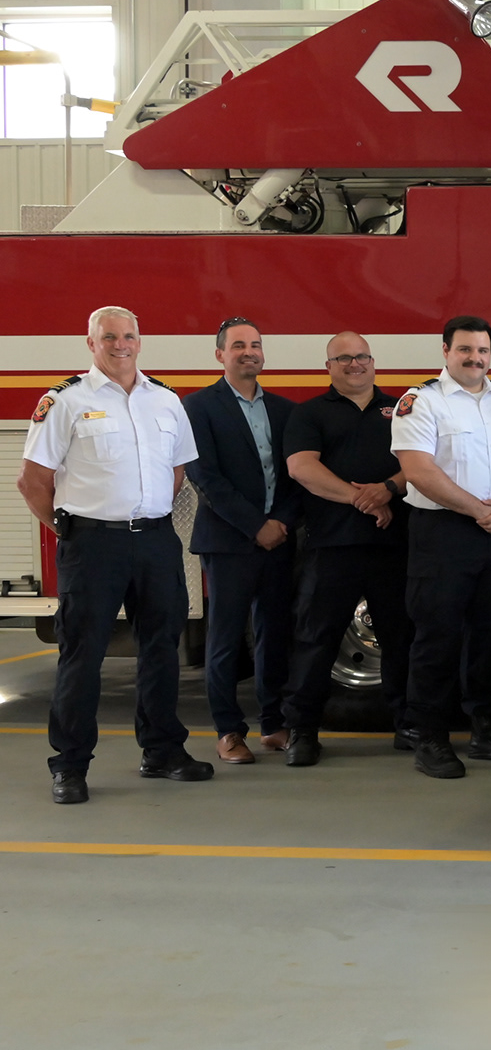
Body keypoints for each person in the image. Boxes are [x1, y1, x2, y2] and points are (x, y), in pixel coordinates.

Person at [17, 306, 211, 804]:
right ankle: (70, 766)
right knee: (82, 655)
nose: (120, 345)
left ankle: (162, 750)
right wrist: (67, 529)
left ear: (139, 342)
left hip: (155, 540)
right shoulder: (65, 401)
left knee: (162, 649)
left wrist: (147, 514)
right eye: (109, 337)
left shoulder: (166, 400)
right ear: (91, 343)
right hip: (92, 545)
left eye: (128, 336)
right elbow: (32, 480)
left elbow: (176, 471)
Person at [391, 315, 491, 779]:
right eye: (465, 349)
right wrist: (479, 510)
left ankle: (486, 728)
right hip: (443, 533)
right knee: (437, 637)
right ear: (446, 350)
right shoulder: (421, 401)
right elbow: (418, 470)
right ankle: (429, 736)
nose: (475, 358)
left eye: (482, 350)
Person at [281, 332, 416, 767]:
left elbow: (423, 462)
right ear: (329, 367)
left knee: (402, 639)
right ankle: (303, 730)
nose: (354, 364)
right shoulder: (309, 413)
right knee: (314, 640)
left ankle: (409, 725)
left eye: (361, 357)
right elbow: (302, 468)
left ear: (373, 362)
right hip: (332, 546)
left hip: (394, 545)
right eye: (343, 358)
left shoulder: (403, 409)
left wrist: (388, 489)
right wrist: (363, 498)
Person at [182, 317, 303, 765]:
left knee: (275, 636)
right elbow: (205, 477)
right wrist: (256, 526)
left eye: (255, 344)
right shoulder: (198, 407)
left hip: (279, 540)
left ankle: (273, 725)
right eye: (238, 345)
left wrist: (282, 522)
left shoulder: (285, 411)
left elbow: (296, 475)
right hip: (229, 542)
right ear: (220, 355)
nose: (248, 352)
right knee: (226, 641)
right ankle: (229, 731)